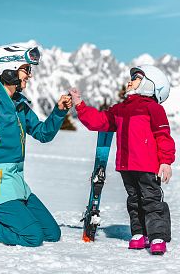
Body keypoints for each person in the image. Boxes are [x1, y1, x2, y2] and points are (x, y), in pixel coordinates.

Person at [0, 44, 72, 247]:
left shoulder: (18, 104)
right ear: (8, 69)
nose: (29, 75)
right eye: (26, 69)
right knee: (32, 237)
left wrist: (58, 112)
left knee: (52, 233)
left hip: (17, 183)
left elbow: (42, 133)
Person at [69, 65, 175, 255]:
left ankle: (157, 235)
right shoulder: (121, 109)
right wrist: (80, 105)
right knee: (134, 201)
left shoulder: (153, 108)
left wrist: (166, 161)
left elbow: (163, 136)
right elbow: (99, 122)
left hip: (148, 166)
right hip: (126, 165)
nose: (129, 81)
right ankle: (139, 233)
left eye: (135, 78)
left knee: (151, 200)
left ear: (151, 85)